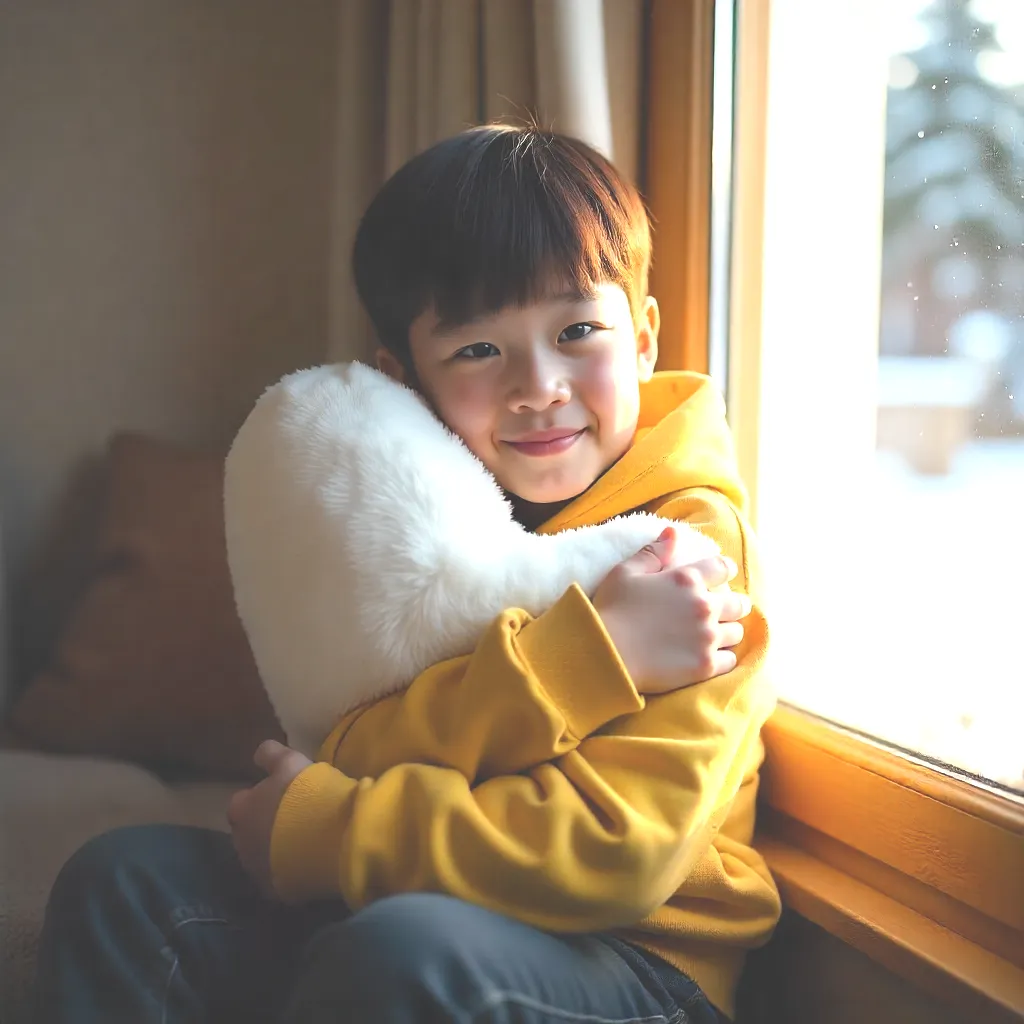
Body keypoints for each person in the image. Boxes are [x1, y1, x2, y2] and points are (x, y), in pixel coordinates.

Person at [32, 124, 781, 1024]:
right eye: (477, 351)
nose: (538, 386)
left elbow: (617, 855)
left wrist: (329, 828)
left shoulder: (684, 550)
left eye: (578, 330)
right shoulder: (412, 507)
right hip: (419, 900)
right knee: (126, 883)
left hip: (636, 963)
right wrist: (560, 669)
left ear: (645, 336)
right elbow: (345, 736)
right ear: (406, 381)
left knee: (398, 956)